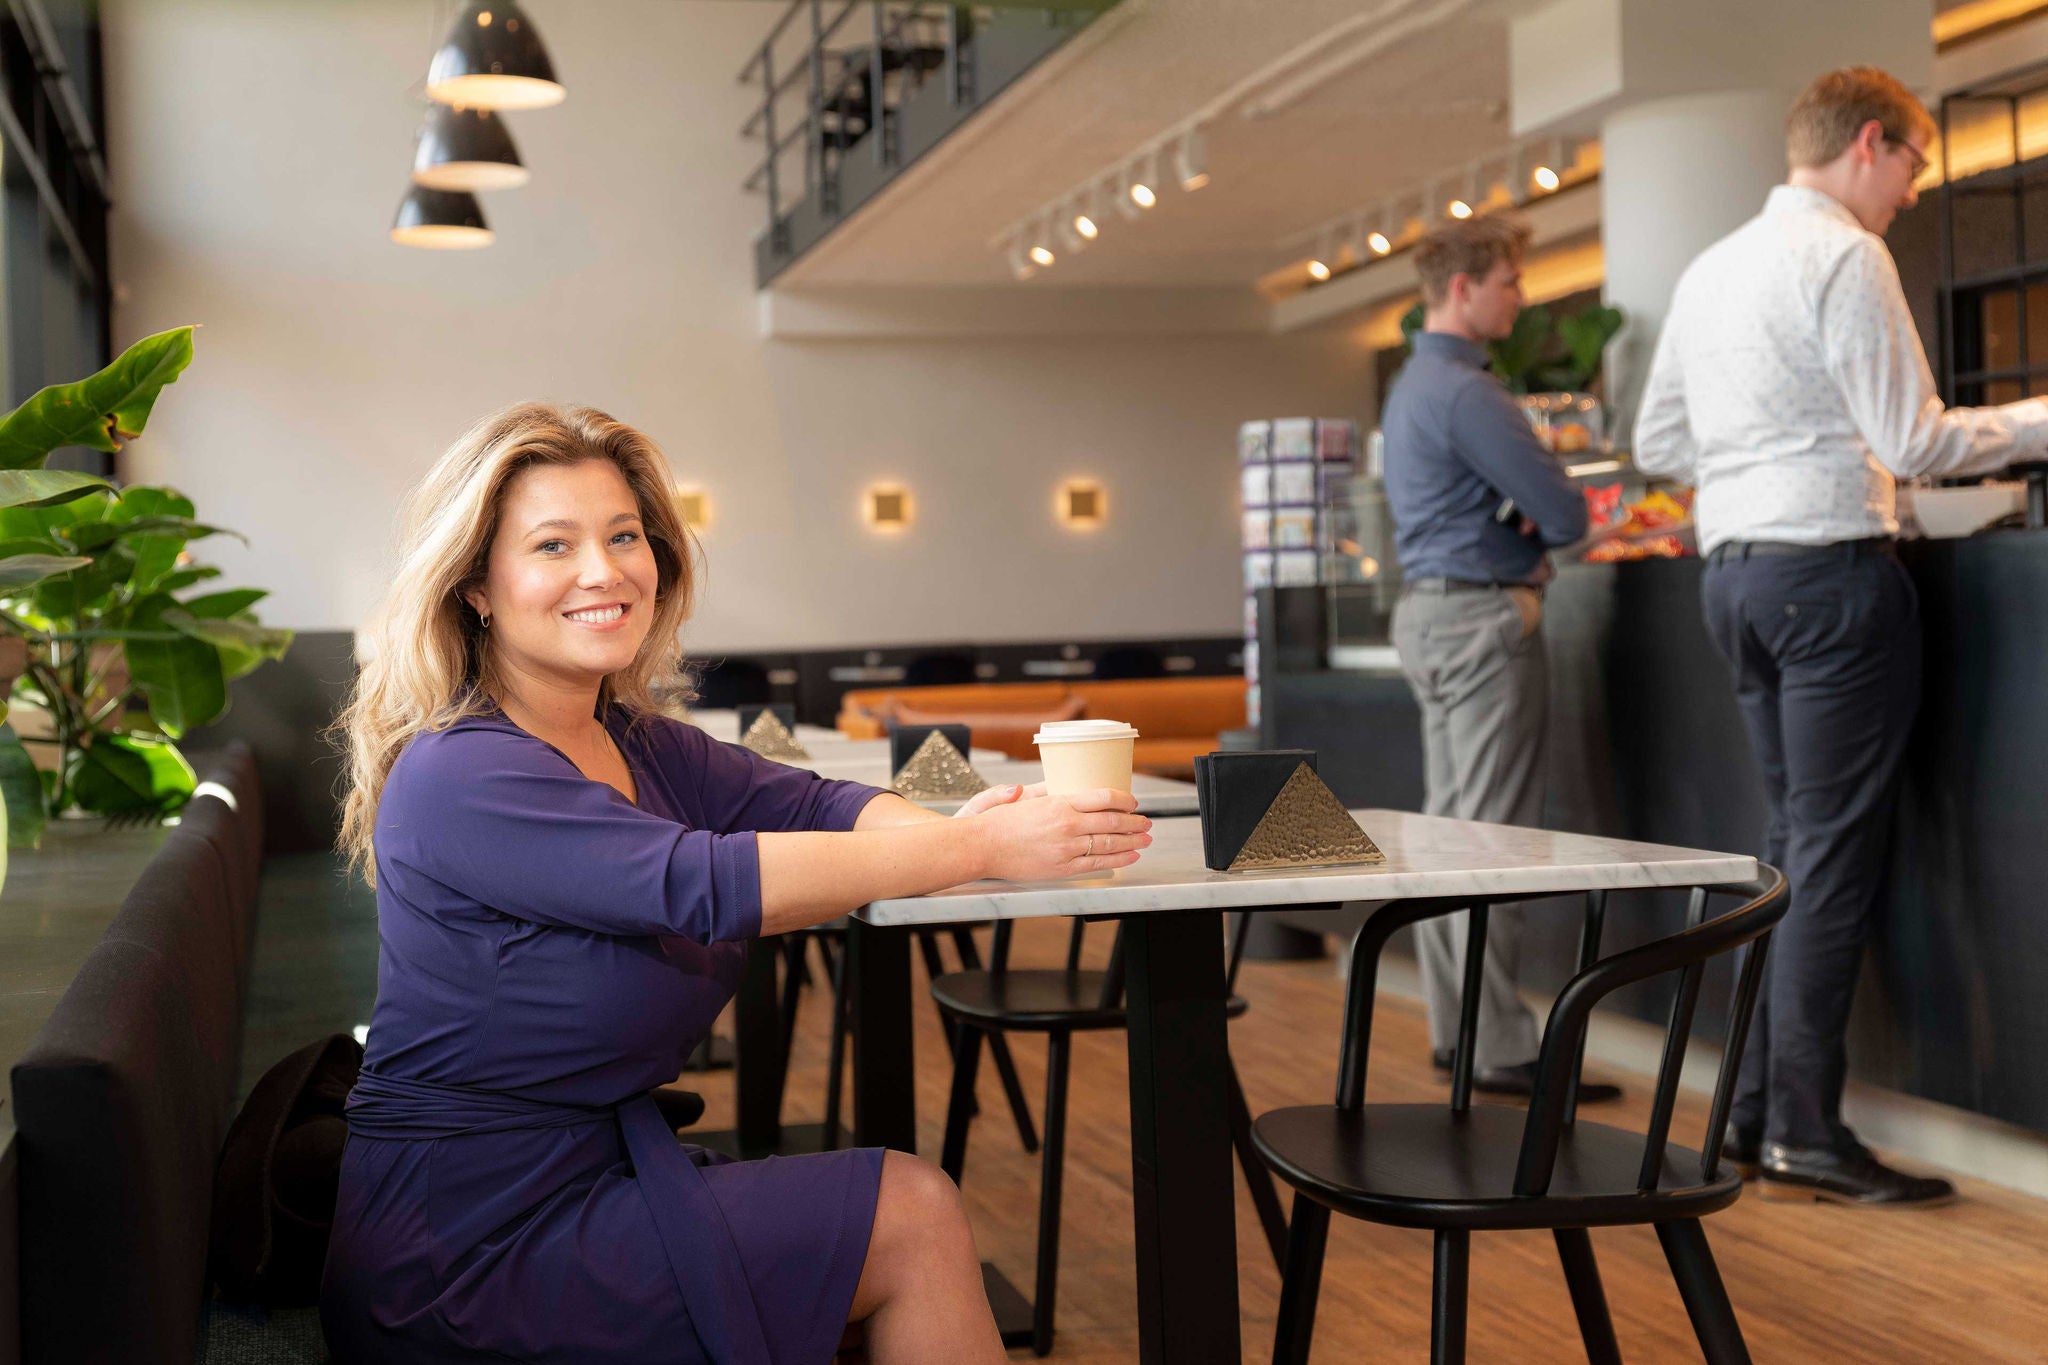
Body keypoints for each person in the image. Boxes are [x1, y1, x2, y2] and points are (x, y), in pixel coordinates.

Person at [322, 402, 1153, 1362]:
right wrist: (980, 851)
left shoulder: (638, 742)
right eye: (554, 545)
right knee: (911, 1214)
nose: (605, 570)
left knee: (894, 1224)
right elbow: (704, 884)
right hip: (464, 1242)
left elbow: (823, 805)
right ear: (476, 585)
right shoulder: (461, 772)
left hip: (591, 1181)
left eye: (624, 535)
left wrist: (954, 830)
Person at [1635, 67, 2048, 1206]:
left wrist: (1757, 455)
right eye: (1913, 166)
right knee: (1821, 858)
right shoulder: (1840, 253)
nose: (1911, 195)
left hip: (1736, 582)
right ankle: (1802, 1131)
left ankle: (1752, 1111)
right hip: (1825, 578)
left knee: (1787, 848)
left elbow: (1658, 436)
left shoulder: (1711, 265)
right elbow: (1911, 442)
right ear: (1871, 143)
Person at [1380, 217, 1613, 1101]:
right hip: (1483, 619)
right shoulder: (1471, 392)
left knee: (1451, 831)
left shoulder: (1412, 386)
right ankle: (1499, 1047)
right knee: (1488, 841)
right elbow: (1565, 513)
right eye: (1511, 282)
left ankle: (1461, 1031)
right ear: (1463, 288)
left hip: (1432, 617)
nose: (1521, 297)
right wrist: (1538, 506)